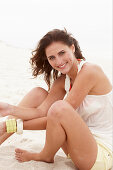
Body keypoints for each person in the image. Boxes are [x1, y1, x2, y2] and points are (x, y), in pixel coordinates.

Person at [0, 29, 112, 170]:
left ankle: (45, 155)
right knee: (38, 93)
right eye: (52, 57)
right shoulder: (62, 81)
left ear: (72, 48)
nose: (58, 61)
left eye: (62, 53)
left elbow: (56, 115)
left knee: (59, 108)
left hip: (99, 154)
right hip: (76, 146)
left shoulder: (90, 71)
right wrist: (9, 108)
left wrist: (12, 126)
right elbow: (41, 112)